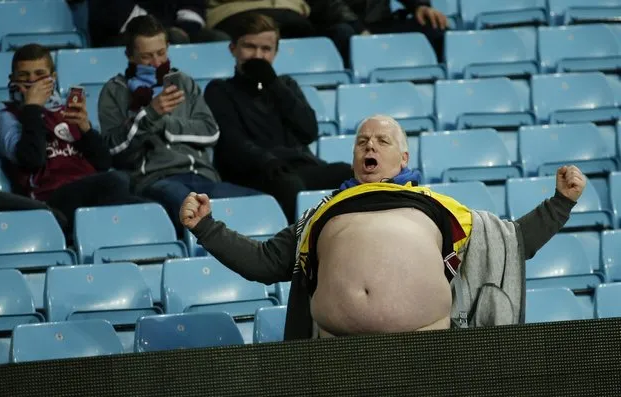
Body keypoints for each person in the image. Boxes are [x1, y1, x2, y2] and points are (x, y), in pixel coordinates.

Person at [180, 114, 586, 340]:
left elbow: (510, 243)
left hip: (426, 351)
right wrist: (207, 227)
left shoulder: (441, 207)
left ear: (404, 157)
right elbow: (263, 263)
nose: (369, 145)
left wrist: (560, 203)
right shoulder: (320, 213)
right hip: (336, 354)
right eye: (362, 141)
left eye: (381, 141)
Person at [99, 15, 259, 231]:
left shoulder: (182, 81)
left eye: (161, 53)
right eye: (147, 56)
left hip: (201, 176)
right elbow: (113, 150)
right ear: (130, 55)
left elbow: (210, 132)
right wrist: (150, 114)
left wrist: (165, 124)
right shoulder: (115, 90)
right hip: (154, 179)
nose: (157, 63)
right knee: (189, 207)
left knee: (260, 202)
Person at [204, 12, 353, 224]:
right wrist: (267, 159)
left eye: (265, 49)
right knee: (288, 184)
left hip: (297, 166)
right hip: (253, 172)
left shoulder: (285, 86)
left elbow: (308, 131)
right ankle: (301, 249)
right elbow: (232, 142)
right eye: (249, 47)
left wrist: (273, 84)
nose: (257, 55)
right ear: (233, 48)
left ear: (275, 53)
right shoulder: (219, 90)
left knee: (349, 174)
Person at [0, 43, 141, 235]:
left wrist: (85, 129)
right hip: (49, 199)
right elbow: (31, 160)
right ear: (12, 79)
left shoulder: (66, 110)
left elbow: (103, 163)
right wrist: (32, 109)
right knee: (117, 180)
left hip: (89, 189)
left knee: (151, 207)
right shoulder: (6, 117)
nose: (32, 82)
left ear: (53, 78)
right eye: (24, 76)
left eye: (39, 74)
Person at [309, 0, 448, 66]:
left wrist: (420, 6)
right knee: (344, 34)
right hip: (341, 24)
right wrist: (358, 28)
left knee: (433, 27)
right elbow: (329, 5)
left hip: (381, 23)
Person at [88, 0, 230, 48]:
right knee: (173, 39)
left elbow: (192, 5)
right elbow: (112, 10)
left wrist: (186, 27)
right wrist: (157, 30)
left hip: (176, 29)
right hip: (124, 32)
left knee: (219, 40)